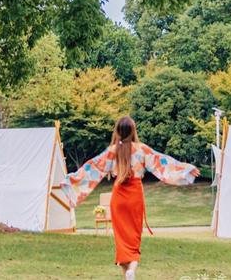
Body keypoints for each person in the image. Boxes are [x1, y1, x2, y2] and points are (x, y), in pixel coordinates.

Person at [60, 115, 200, 279]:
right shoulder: (141, 149)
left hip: (118, 198)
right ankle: (132, 270)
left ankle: (128, 273)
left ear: (117, 131)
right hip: (134, 197)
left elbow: (92, 167)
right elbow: (163, 163)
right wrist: (185, 169)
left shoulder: (112, 151)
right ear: (133, 130)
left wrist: (70, 180)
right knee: (133, 240)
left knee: (122, 241)